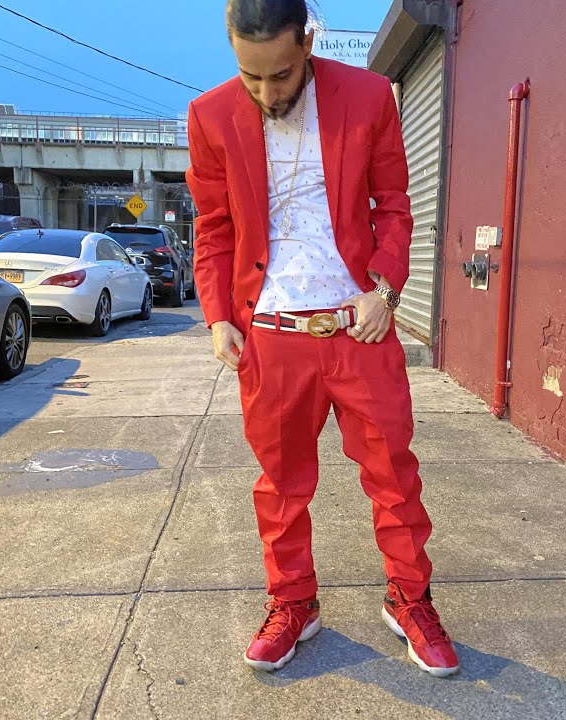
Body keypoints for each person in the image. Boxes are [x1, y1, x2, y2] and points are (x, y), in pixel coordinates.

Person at [185, 0, 459, 678]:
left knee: (393, 476)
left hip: (357, 327)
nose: (266, 92)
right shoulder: (210, 115)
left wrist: (385, 291)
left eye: (280, 74)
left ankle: (410, 598)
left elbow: (394, 205)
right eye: (250, 76)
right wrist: (218, 315)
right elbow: (214, 227)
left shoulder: (367, 97)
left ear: (307, 43)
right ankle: (293, 603)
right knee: (280, 486)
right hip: (271, 334)